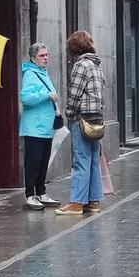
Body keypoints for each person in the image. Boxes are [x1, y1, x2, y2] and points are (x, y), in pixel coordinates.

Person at [56, 31, 106, 216]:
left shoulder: (81, 66)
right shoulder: (96, 65)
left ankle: (77, 203)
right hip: (96, 119)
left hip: (82, 118)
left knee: (81, 160)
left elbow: (75, 94)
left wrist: (69, 114)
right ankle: (93, 200)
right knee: (93, 159)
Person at [20, 43, 60, 210]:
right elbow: (26, 98)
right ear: (33, 58)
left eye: (47, 54)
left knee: (43, 162)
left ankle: (41, 192)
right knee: (33, 162)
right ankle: (30, 195)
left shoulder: (43, 73)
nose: (45, 58)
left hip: (45, 127)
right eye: (42, 56)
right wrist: (46, 95)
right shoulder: (30, 74)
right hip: (34, 127)